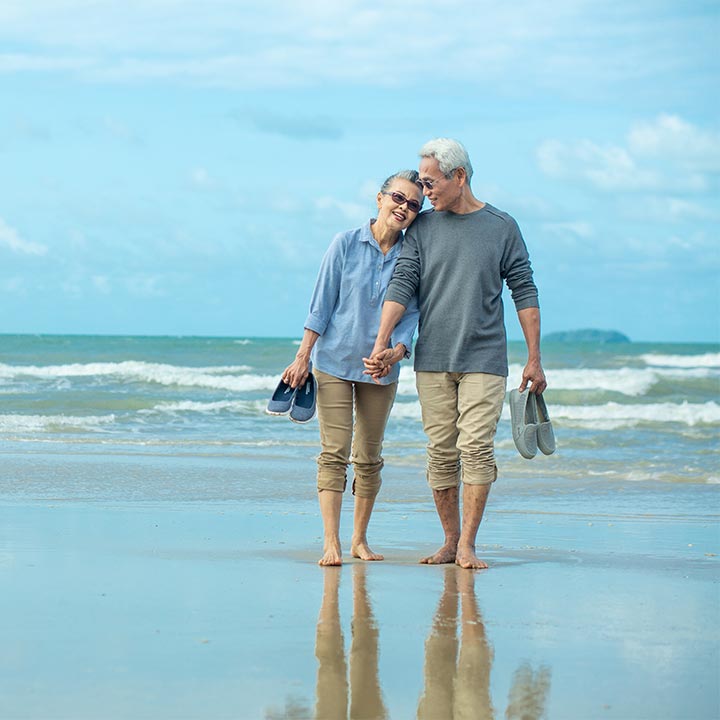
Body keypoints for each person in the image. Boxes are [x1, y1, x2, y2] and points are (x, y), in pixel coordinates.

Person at [364, 138, 547, 570]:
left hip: (485, 358)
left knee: (477, 449)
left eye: (430, 183)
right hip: (432, 360)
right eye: (421, 184)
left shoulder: (502, 226)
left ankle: (467, 544)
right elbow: (403, 283)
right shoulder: (422, 229)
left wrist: (534, 358)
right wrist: (382, 342)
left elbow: (524, 289)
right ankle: (449, 541)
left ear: (459, 177)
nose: (423, 192)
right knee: (441, 452)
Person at [282, 170, 422, 566]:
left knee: (369, 456)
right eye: (398, 197)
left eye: (414, 204)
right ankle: (332, 542)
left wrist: (395, 353)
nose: (404, 207)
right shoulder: (344, 244)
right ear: (379, 198)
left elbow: (412, 315)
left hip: (381, 370)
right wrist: (302, 355)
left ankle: (360, 539)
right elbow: (321, 304)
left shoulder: (413, 256)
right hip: (334, 363)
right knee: (334, 452)